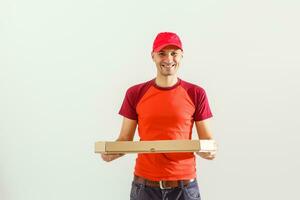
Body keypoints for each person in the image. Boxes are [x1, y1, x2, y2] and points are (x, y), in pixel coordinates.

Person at [101, 32, 217, 200]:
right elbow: (124, 139)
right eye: (162, 53)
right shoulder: (135, 93)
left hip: (184, 188)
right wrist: (111, 153)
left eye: (174, 53)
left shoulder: (196, 93)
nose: (168, 59)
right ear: (153, 56)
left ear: (181, 56)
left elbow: (207, 141)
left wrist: (208, 151)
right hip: (145, 187)